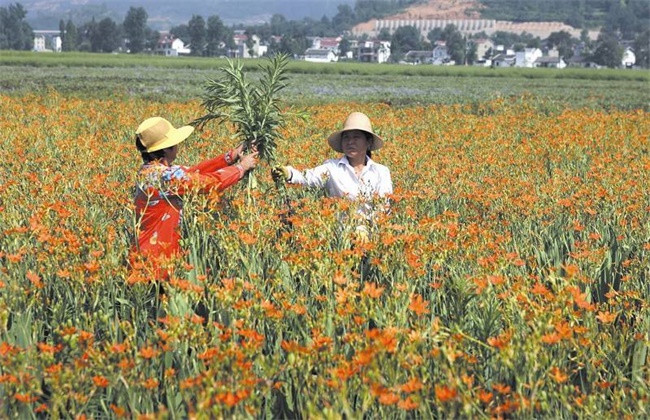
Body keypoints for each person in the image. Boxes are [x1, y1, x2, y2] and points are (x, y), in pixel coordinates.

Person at [132, 116, 258, 277]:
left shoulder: (153, 171)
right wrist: (241, 167)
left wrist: (231, 156)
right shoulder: (164, 177)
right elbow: (208, 183)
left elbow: (194, 172)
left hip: (152, 252)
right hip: (155, 260)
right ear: (166, 149)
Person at [272, 111, 392, 241]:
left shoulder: (381, 171)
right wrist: (288, 173)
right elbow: (307, 177)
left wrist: (365, 229)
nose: (350, 141)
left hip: (372, 237)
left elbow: (383, 207)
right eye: (346, 137)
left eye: (356, 137)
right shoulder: (332, 167)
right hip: (339, 238)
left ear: (368, 142)